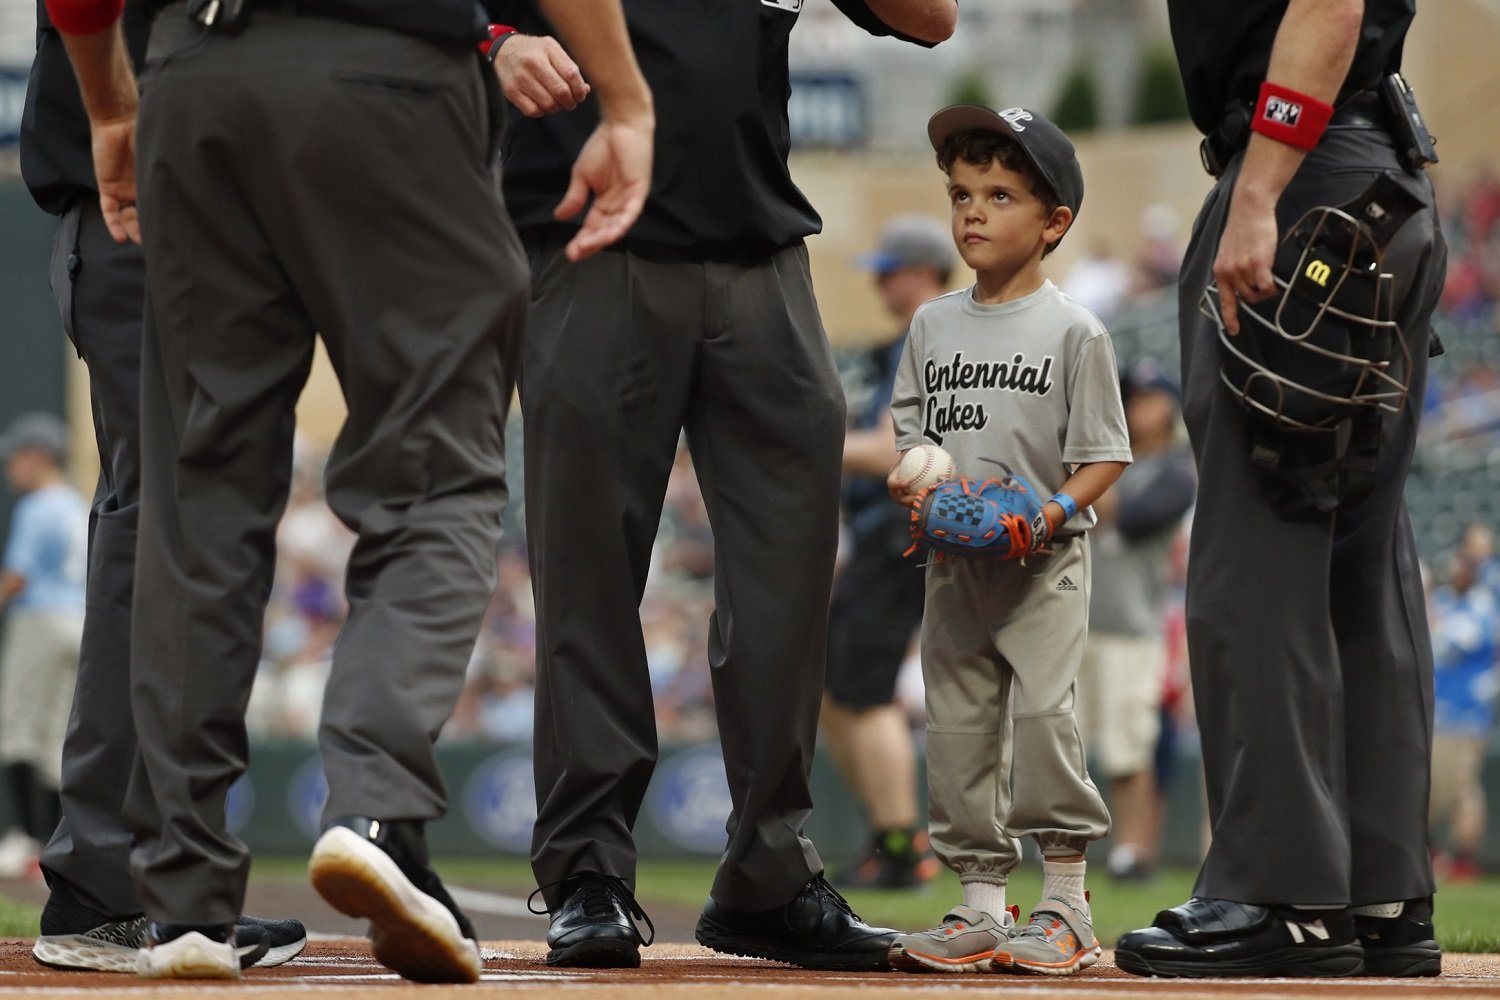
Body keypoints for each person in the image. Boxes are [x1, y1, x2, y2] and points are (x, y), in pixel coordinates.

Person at [48, 0, 652, 982]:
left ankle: (187, 901)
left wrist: (111, 109)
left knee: (198, 498)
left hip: (189, 74)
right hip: (388, 61)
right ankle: (375, 810)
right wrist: (626, 104)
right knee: (437, 471)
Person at [492, 0, 955, 972]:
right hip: (590, 238)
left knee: (789, 566)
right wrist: (493, 44)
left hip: (760, 244)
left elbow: (935, 19)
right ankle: (587, 870)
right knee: (589, 572)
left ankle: (769, 874)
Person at [1115, 0, 1448, 980]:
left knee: (1256, 561)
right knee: (1360, 564)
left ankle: (1282, 893)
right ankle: (1381, 894)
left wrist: (1260, 189)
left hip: (1304, 176)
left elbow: (1331, 4)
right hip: (1377, 176)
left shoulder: (1278, 172)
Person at [18, 2, 306, 972]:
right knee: (157, 535)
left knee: (166, 532)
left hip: (177, 220)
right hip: (133, 214)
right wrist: (112, 114)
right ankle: (109, 881)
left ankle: (143, 879)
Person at [884, 104, 1131, 976]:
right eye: (960, 194)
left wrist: (1048, 515)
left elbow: (1105, 457)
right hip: (954, 567)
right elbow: (910, 435)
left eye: (1000, 194)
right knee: (956, 732)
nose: (972, 213)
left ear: (1055, 221)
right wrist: (917, 475)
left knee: (1041, 722)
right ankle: (983, 905)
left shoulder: (1076, 331)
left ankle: (1066, 900)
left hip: (1045, 564)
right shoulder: (932, 326)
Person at [823, 214, 952, 892]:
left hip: (900, 528)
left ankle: (905, 844)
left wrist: (802, 444)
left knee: (865, 690)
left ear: (923, 271)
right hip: (886, 533)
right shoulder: (912, 340)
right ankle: (891, 837)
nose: (878, 282)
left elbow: (891, 450)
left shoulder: (927, 336)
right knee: (838, 688)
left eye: (888, 269)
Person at [1072, 364, 1195, 882]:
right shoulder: (1114, 462)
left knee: (1129, 747)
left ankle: (1132, 850)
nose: (1135, 407)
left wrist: (1080, 462)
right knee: (1065, 745)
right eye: (1130, 398)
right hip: (1077, 622)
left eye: (1146, 398)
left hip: (1132, 628)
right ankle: (1065, 850)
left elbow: (1123, 513)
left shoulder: (1175, 471)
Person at [0, 414, 86, 882]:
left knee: (17, 729)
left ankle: (24, 838)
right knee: (57, 738)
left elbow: (18, 576)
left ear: (37, 457)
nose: (12, 465)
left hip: (39, 619)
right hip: (77, 620)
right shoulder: (75, 503)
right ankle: (57, 848)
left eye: (17, 455)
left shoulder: (38, 507)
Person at [1427, 550, 1496, 883]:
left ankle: (1464, 858)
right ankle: (1436, 853)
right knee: (1435, 789)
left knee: (1462, 789)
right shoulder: (1447, 601)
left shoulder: (1480, 608)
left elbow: (1459, 639)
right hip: (1440, 713)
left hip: (1466, 716)